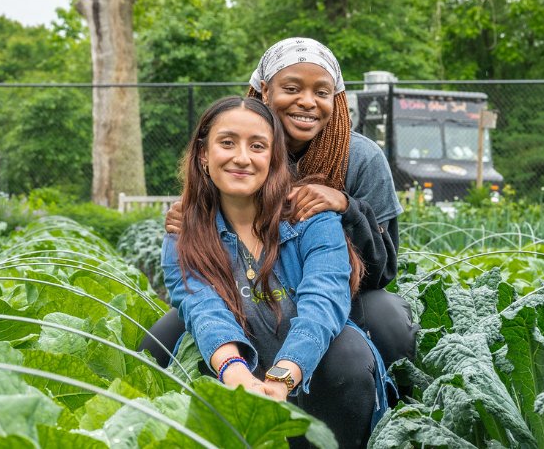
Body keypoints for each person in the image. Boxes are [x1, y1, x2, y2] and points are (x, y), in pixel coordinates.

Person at [144, 37, 416, 377]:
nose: (307, 102)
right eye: (291, 88)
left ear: (336, 98)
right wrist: (198, 213)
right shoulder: (241, 155)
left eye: (321, 92)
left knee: (388, 321)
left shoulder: (362, 158)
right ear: (265, 91)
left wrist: (348, 207)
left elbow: (384, 270)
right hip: (243, 291)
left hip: (340, 294)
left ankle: (394, 401)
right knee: (156, 348)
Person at [164, 95, 387, 447]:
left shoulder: (311, 218)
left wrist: (282, 377)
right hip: (239, 365)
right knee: (167, 350)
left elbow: (323, 301)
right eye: (227, 143)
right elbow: (203, 310)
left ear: (273, 159)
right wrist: (236, 375)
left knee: (349, 356)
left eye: (257, 146)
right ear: (204, 155)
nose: (241, 157)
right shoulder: (183, 234)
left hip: (312, 366)